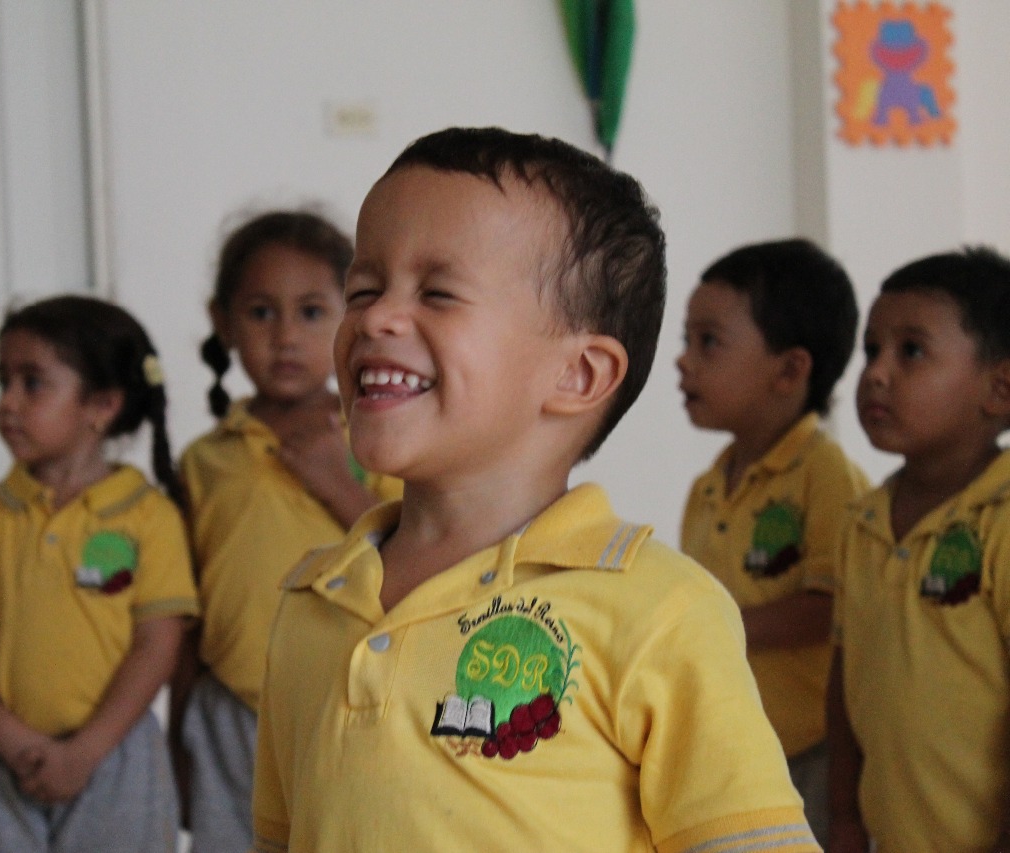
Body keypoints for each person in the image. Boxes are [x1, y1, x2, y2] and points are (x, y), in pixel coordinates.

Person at [251, 127, 819, 852]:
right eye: (363, 289)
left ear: (577, 375)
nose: (376, 318)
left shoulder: (661, 610)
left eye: (438, 293)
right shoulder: (313, 601)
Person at [0, 295, 197, 853]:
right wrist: (9, 740)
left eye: (32, 383)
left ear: (101, 405)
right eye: (3, 381)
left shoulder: (148, 518)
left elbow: (157, 645)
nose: (7, 402)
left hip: (115, 758)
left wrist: (84, 752)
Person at [172, 210, 401, 852]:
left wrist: (337, 483)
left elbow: (423, 556)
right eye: (260, 313)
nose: (285, 337)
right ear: (223, 322)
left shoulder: (379, 441)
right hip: (227, 714)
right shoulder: (205, 462)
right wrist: (175, 735)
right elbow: (184, 614)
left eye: (311, 312)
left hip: (349, 705)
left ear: (352, 317)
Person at [676, 239, 868, 842]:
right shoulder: (707, 488)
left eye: (708, 341)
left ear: (789, 371)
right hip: (734, 745)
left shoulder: (825, 474)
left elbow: (831, 606)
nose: (683, 361)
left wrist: (715, 623)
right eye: (687, 339)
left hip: (810, 750)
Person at [827, 247, 1010, 853]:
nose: (876, 373)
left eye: (911, 351)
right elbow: (845, 679)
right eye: (871, 350)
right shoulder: (862, 521)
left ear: (1000, 388)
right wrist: (844, 818)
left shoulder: (1001, 517)